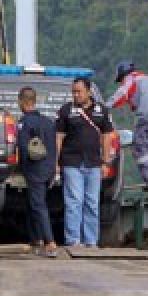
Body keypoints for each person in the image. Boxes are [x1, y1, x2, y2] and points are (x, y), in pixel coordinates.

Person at [57, 78, 116, 248]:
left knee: (92, 203)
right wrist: (56, 162)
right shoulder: (66, 110)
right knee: (74, 201)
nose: (76, 95)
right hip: (71, 162)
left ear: (89, 92)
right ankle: (73, 241)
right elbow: (58, 137)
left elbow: (107, 137)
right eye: (74, 92)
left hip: (94, 163)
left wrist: (105, 162)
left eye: (79, 92)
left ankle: (91, 242)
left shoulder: (101, 111)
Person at [108, 60, 148, 188]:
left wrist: (104, 107)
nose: (121, 83)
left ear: (123, 75)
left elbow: (121, 94)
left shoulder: (131, 79)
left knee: (139, 143)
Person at [17, 86, 59, 257]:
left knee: (38, 205)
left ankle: (50, 243)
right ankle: (36, 239)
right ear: (34, 101)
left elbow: (23, 148)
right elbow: (54, 146)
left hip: (34, 170)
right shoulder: (48, 122)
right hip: (48, 169)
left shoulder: (24, 123)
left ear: (22, 102)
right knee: (33, 204)